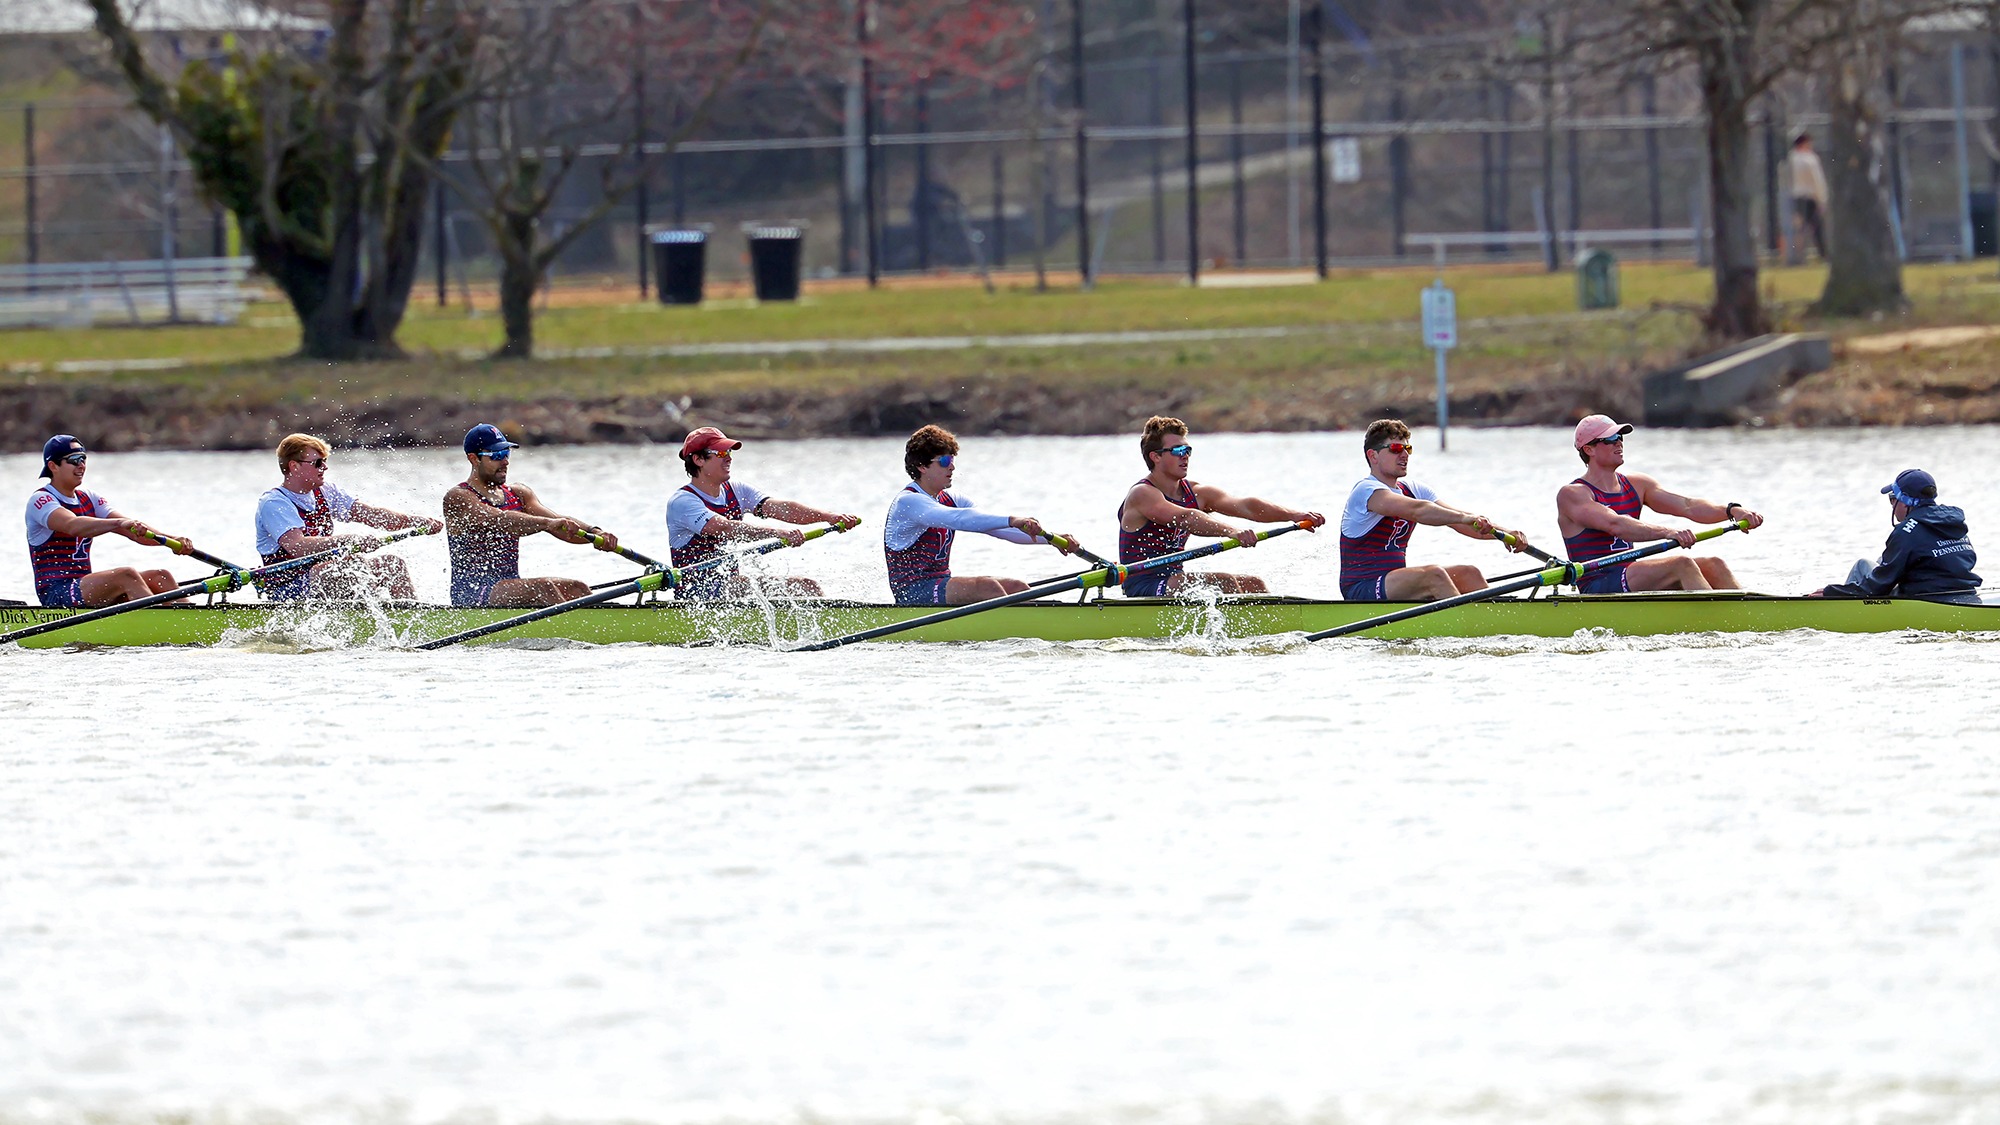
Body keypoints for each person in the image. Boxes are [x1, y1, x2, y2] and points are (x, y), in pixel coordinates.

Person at [1556, 414, 1764, 593]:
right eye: (1610, 438)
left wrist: (1732, 510)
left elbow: (1688, 506)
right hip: (1598, 582)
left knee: (1715, 564)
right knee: (1682, 564)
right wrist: (1668, 532)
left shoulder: (1637, 485)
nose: (1619, 442)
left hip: (1631, 575)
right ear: (1589, 449)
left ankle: (1751, 616)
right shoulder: (1573, 494)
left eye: (1620, 437)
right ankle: (1724, 622)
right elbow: (1616, 525)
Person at [1117, 416, 1323, 596]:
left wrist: (1294, 515)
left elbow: (1246, 506)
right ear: (1156, 456)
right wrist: (1232, 531)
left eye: (1188, 449)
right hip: (1144, 585)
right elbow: (1185, 518)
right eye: (1178, 450)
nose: (1185, 455)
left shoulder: (1196, 492)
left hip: (1174, 580)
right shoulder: (1142, 494)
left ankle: (1278, 632)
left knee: (1254, 584)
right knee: (1223, 582)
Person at [884, 424, 1082, 606]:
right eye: (944, 461)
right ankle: (1025, 628)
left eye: (952, 460)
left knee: (1018, 587)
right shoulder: (908, 502)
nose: (952, 466)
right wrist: (1013, 520)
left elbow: (995, 527)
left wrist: (1052, 539)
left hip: (940, 583)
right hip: (913, 591)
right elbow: (960, 519)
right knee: (988, 587)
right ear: (922, 466)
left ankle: (1039, 630)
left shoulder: (952, 499)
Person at [1339, 418, 1529, 602]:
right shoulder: (1366, 491)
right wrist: (1466, 517)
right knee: (1433, 575)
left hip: (1394, 582)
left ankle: (1499, 623)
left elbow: (1467, 526)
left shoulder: (1414, 489)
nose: (1404, 455)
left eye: (1407, 448)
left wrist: (1506, 533)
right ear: (1373, 456)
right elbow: (1418, 511)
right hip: (1362, 587)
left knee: (1469, 573)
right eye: (1396, 449)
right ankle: (1470, 625)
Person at [667, 426, 860, 599]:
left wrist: (828, 517)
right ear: (698, 459)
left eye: (729, 452)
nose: (728, 457)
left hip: (729, 589)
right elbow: (724, 528)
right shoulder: (683, 502)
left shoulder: (736, 490)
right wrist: (777, 533)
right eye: (721, 452)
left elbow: (783, 508)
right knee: (799, 588)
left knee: (807, 587)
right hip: (695, 594)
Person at [442, 424, 623, 607]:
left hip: (510, 586)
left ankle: (604, 629)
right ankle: (580, 630)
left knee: (578, 588)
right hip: (472, 592)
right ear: (474, 459)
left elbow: (560, 524)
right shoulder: (459, 497)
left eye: (506, 454)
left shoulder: (518, 493)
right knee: (543, 588)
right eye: (496, 455)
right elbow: (501, 520)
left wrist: (596, 533)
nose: (505, 462)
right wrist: (547, 524)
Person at [254, 432, 442, 601]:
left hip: (323, 577)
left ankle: (411, 620)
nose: (325, 468)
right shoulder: (274, 503)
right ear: (294, 466)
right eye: (318, 463)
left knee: (393, 565)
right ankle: (372, 625)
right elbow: (298, 546)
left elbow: (373, 515)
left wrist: (414, 521)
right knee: (354, 565)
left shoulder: (326, 492)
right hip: (287, 588)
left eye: (325, 461)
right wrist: (349, 540)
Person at [24, 434, 196, 608]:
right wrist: (118, 523)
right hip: (57, 593)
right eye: (74, 460)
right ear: (53, 466)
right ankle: (164, 627)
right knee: (126, 575)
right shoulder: (41, 501)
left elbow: (135, 532)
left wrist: (174, 540)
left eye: (83, 459)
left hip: (84, 587)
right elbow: (73, 525)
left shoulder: (89, 498)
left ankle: (192, 625)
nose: (81, 465)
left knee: (161, 576)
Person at [1812, 469, 1980, 598]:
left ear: (1906, 501)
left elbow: (1876, 587)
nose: (1892, 505)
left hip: (1925, 599)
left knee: (1862, 566)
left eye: (1893, 499)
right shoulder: (1953, 522)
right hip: (1964, 593)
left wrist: (1834, 592)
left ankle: (1842, 613)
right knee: (1880, 562)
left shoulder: (1906, 532)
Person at [1789, 133, 1829, 261]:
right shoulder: (1810, 159)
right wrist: (1822, 198)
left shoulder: (1791, 159)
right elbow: (1817, 180)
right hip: (1810, 197)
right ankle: (1823, 254)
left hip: (1796, 196)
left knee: (1799, 228)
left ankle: (1797, 256)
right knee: (1816, 227)